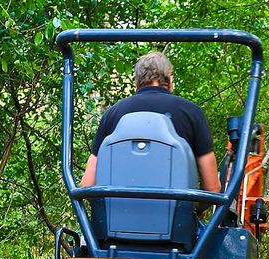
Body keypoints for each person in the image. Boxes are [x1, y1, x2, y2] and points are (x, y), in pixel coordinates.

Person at [80, 51, 221, 194]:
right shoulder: (191, 113)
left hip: (116, 208)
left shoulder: (112, 114)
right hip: (178, 208)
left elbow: (87, 185)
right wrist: (193, 207)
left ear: (136, 82)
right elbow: (212, 188)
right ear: (170, 80)